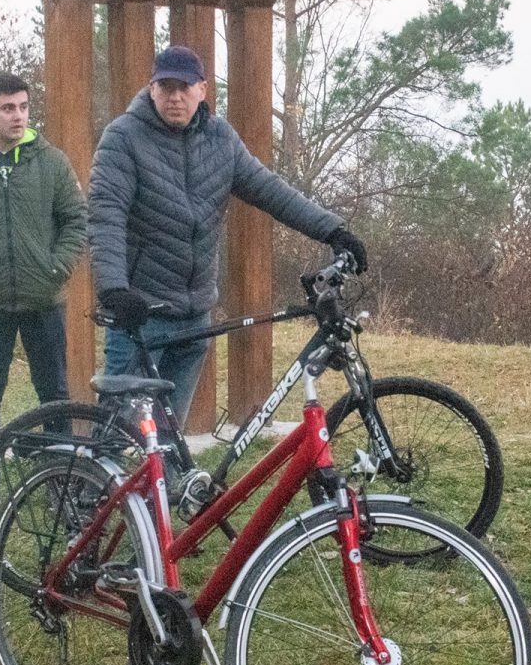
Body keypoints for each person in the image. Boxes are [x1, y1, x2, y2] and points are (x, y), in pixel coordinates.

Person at [89, 44, 367, 429]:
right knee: (117, 435)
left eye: (184, 87)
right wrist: (114, 289)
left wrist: (333, 230)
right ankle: (89, 489)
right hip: (140, 312)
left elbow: (270, 190)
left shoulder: (220, 139)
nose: (175, 96)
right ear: (151, 88)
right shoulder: (123, 138)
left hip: (195, 314)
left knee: (170, 441)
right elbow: (106, 216)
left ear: (202, 89)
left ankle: (160, 489)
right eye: (165, 87)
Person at [0, 71, 86, 470]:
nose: (18, 116)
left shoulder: (53, 162)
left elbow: (77, 220)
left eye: (23, 107)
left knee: (54, 392)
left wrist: (57, 266)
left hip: (44, 298)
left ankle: (63, 473)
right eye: (8, 108)